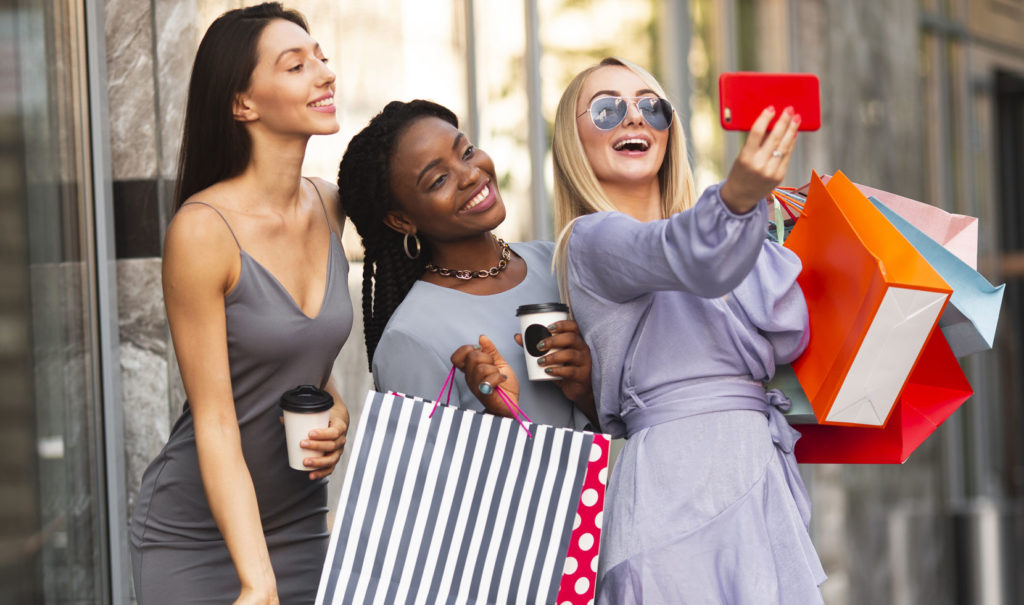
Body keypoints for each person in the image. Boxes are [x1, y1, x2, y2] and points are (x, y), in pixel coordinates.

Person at [551, 57, 826, 603]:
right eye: (607, 109)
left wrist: (763, 221)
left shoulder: (724, 229)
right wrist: (737, 201)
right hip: (673, 490)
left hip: (755, 470)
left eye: (651, 106)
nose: (633, 118)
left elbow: (789, 331)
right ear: (571, 140)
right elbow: (678, 255)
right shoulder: (591, 240)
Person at [129, 4, 352, 603]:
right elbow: (217, 419)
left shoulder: (330, 206)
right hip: (196, 537)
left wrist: (337, 411)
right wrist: (257, 582)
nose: (324, 74)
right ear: (242, 104)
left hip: (302, 525)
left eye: (321, 59)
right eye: (296, 65)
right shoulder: (202, 231)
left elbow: (305, 364)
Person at [338, 100, 596, 428]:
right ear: (402, 220)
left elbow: (624, 424)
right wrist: (499, 418)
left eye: (466, 151)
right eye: (438, 180)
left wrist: (585, 387)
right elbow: (426, 474)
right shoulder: (411, 336)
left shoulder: (556, 262)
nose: (471, 174)